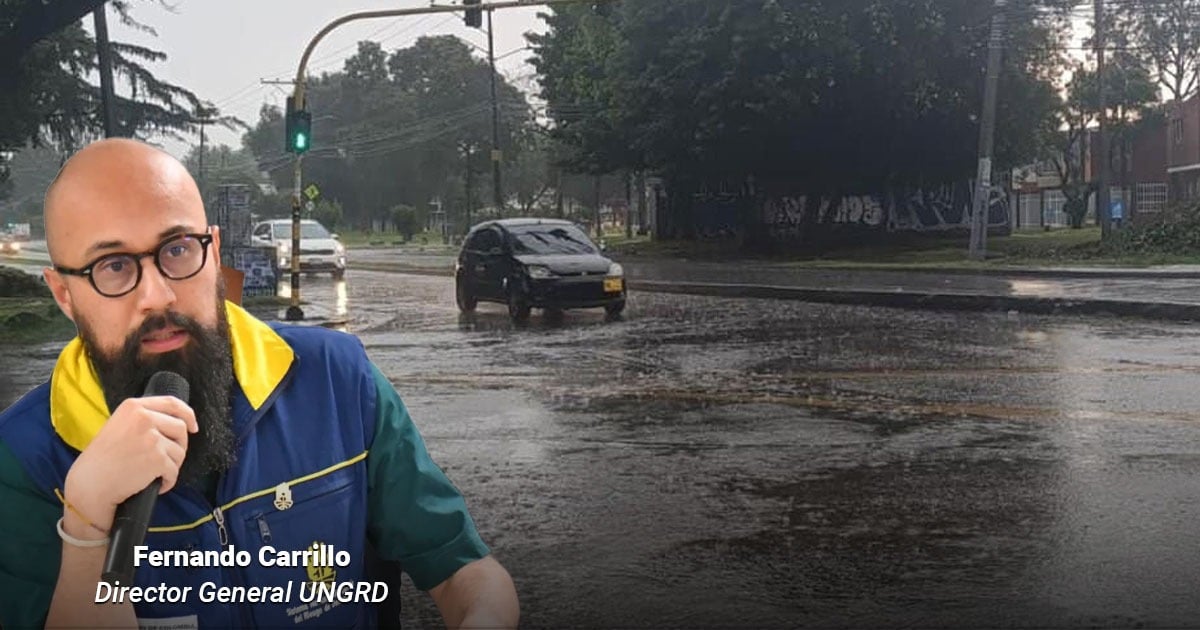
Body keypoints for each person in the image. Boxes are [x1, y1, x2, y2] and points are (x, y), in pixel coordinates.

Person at [0, 138, 520, 629]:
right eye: (112, 266)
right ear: (64, 295)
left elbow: (464, 570)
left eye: (177, 250)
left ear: (214, 252)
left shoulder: (336, 381)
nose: (156, 295)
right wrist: (88, 526)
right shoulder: (23, 459)